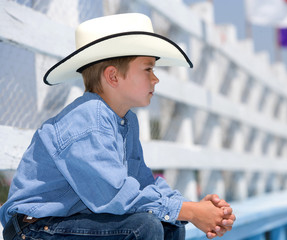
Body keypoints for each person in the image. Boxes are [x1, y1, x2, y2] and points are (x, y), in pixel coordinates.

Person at [0, 13, 235, 240]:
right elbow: (115, 195)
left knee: (169, 224)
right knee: (144, 227)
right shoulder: (88, 119)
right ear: (113, 77)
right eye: (148, 69)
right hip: (33, 229)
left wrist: (193, 207)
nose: (156, 79)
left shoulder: (125, 121)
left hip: (66, 223)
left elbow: (143, 183)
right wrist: (191, 211)